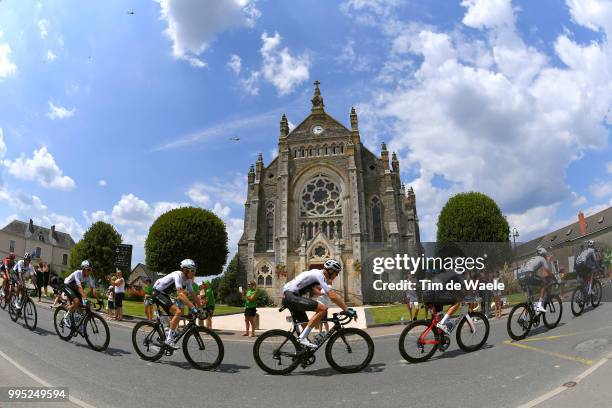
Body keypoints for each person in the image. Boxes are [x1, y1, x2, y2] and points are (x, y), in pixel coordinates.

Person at [281, 259, 355, 348]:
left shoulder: (315, 273)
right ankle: (302, 338)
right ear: (330, 270)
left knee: (306, 325)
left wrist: (320, 293)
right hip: (291, 296)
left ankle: (302, 353)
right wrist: (346, 309)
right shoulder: (319, 275)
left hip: (291, 296)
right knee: (322, 309)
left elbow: (311, 288)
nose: (336, 275)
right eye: (336, 273)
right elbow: (332, 296)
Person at [151, 259, 201, 349]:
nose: (194, 273)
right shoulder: (177, 275)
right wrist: (193, 308)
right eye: (192, 270)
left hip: (165, 294)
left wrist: (202, 308)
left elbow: (193, 295)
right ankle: (169, 340)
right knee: (178, 312)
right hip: (157, 292)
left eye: (195, 270)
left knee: (174, 316)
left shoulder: (188, 280)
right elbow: (181, 294)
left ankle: (166, 333)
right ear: (185, 270)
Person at [518, 247, 555, 313]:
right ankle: (540, 305)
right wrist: (553, 276)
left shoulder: (532, 258)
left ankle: (527, 316)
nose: (545, 256)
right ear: (543, 254)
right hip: (528, 274)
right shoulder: (542, 259)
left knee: (530, 300)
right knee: (544, 283)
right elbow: (547, 270)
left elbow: (532, 270)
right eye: (545, 254)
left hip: (520, 276)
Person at [60, 260, 96, 329]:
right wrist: (85, 298)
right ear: (83, 269)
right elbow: (80, 288)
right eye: (88, 269)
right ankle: (66, 316)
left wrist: (98, 299)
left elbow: (93, 288)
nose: (89, 271)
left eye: (90, 270)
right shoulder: (77, 273)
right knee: (76, 301)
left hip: (75, 288)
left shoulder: (88, 277)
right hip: (67, 285)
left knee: (82, 308)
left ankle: (79, 326)